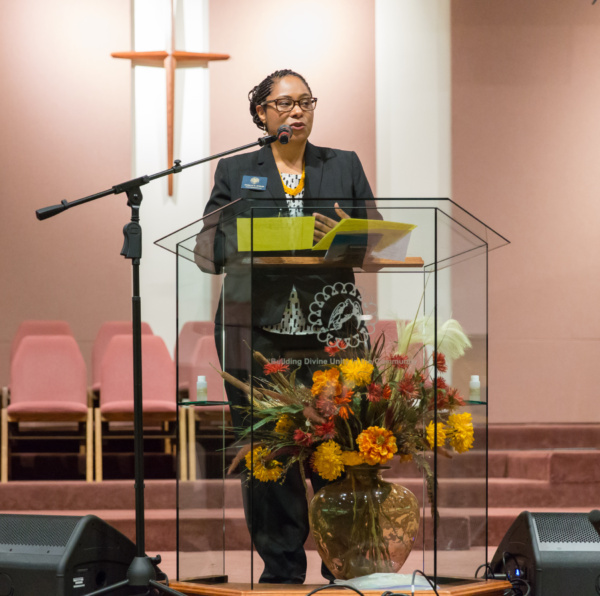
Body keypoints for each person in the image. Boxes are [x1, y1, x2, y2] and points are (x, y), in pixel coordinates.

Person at [200, 69, 379, 584]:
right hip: (255, 331)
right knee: (270, 451)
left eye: (305, 101)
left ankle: (345, 565)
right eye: (284, 103)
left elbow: (376, 239)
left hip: (331, 330)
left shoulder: (343, 165)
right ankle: (281, 571)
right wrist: (265, 234)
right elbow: (210, 247)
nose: (296, 111)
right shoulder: (236, 170)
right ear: (262, 113)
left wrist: (346, 234)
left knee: (338, 443)